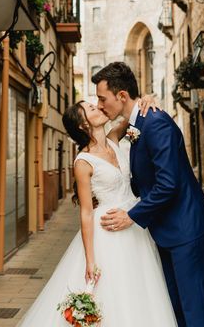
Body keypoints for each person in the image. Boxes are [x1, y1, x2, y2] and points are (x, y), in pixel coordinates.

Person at [16, 97, 178, 326]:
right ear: (83, 125)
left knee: (138, 288)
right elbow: (85, 212)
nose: (99, 107)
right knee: (113, 292)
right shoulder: (83, 162)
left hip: (134, 226)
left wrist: (146, 99)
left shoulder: (113, 139)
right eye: (91, 108)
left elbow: (128, 114)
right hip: (108, 232)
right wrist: (90, 260)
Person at [95, 62, 204, 327]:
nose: (100, 104)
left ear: (122, 96)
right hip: (165, 230)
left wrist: (131, 216)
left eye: (102, 98)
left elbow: (168, 184)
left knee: (194, 308)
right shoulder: (137, 122)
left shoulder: (156, 122)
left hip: (185, 228)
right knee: (176, 308)